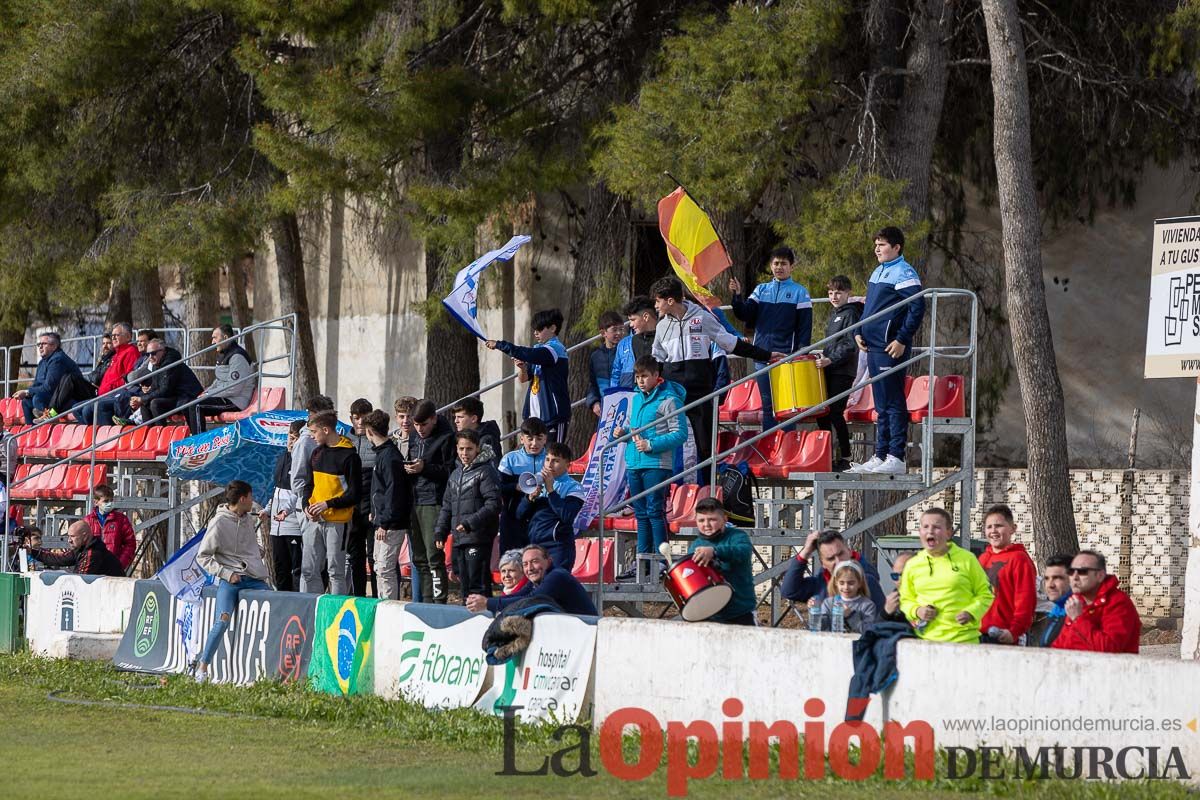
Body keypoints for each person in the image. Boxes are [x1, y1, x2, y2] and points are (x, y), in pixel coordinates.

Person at [649, 276, 783, 475]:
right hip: (673, 394)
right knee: (667, 444)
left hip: (700, 392)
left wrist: (766, 355)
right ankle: (671, 494)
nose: (655, 305)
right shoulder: (661, 326)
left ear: (670, 301)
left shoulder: (702, 317)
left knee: (705, 447)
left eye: (658, 300)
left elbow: (730, 343)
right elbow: (656, 361)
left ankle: (707, 494)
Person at [850, 227, 926, 475]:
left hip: (890, 346)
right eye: (876, 245)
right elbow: (871, 308)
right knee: (881, 404)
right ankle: (880, 454)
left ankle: (896, 455)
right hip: (872, 345)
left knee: (893, 401)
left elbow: (917, 307)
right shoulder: (878, 270)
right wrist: (859, 330)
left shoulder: (904, 272)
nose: (877, 249)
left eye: (882, 245)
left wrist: (902, 339)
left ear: (897, 248)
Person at [613, 356, 688, 580]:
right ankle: (642, 562)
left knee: (655, 512)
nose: (641, 381)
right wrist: (625, 434)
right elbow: (637, 429)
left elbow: (680, 433)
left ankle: (662, 561)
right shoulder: (636, 399)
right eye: (637, 377)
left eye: (645, 376)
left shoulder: (670, 400)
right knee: (641, 514)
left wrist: (652, 445)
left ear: (656, 376)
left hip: (656, 464)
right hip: (635, 463)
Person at [194, 480, 273, 682]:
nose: (253, 501)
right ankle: (202, 667)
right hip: (230, 581)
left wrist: (258, 553)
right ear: (243, 498)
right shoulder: (219, 523)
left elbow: (247, 546)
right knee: (222, 621)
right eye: (251, 496)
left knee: (274, 608)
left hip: (254, 578)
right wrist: (226, 573)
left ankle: (269, 669)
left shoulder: (247, 519)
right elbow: (203, 557)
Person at [728, 247, 813, 430]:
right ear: (771, 265)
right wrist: (737, 296)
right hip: (763, 356)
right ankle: (770, 448)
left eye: (783, 263)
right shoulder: (761, 290)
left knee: (787, 407)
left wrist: (800, 352)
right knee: (768, 407)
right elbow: (744, 314)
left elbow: (805, 327)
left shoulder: (800, 292)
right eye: (776, 263)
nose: (779, 267)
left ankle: (787, 447)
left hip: (786, 357)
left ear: (792, 266)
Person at [899, 507, 993, 644]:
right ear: (920, 532)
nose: (930, 531)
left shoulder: (967, 559)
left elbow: (986, 593)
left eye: (936, 527)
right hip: (925, 642)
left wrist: (971, 612)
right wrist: (917, 610)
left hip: (964, 641)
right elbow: (905, 599)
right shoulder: (913, 565)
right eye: (925, 526)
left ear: (948, 533)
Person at [299, 410, 362, 595]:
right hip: (314, 519)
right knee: (309, 570)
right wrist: (305, 506)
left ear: (325, 430)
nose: (311, 436)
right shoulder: (317, 453)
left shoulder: (349, 456)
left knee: (335, 571)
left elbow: (355, 493)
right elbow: (308, 485)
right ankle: (312, 607)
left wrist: (328, 504)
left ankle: (337, 612)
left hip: (338, 521)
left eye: (314, 432)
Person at [435, 430, 502, 601]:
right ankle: (467, 618)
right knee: (463, 583)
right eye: (461, 449)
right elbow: (447, 506)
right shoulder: (456, 474)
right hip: (459, 539)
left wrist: (470, 523)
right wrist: (440, 532)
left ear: (477, 449)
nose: (465, 453)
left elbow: (493, 504)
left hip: (478, 538)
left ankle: (482, 619)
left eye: (469, 449)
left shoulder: (485, 471)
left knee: (477, 584)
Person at [486, 308, 571, 443]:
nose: (535, 333)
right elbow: (523, 378)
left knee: (553, 457)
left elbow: (527, 353)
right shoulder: (539, 349)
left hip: (553, 417)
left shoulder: (555, 349)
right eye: (534, 329)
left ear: (553, 328)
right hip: (533, 417)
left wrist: (500, 345)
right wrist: (523, 368)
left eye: (539, 329)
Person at [405, 399, 455, 603]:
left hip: (434, 501)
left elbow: (451, 471)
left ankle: (438, 601)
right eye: (416, 425)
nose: (420, 429)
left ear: (434, 419)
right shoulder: (414, 436)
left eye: (423, 424)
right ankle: (426, 601)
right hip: (414, 499)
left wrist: (424, 468)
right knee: (419, 558)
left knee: (434, 556)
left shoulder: (446, 437)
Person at [814, 275, 862, 471]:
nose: (834, 296)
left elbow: (850, 344)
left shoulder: (851, 314)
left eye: (839, 292)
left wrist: (831, 359)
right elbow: (833, 344)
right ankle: (827, 455)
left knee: (835, 412)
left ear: (848, 294)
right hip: (830, 368)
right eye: (831, 292)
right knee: (822, 413)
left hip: (843, 371)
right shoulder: (835, 315)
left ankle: (846, 456)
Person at [468, 543, 597, 616]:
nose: (529, 568)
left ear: (549, 561)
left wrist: (488, 604)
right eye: (525, 564)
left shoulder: (557, 576)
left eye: (535, 562)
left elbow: (530, 600)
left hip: (588, 630)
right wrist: (487, 601)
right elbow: (519, 595)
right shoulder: (537, 580)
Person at [1052, 550, 1141, 654]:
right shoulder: (1077, 601)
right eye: (1071, 571)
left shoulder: (1117, 602)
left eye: (1082, 572)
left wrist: (1078, 619)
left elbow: (1109, 650)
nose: (1074, 578)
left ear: (1100, 575)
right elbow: (1063, 644)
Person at [364, 409, 411, 601]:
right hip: (381, 519)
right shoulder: (383, 455)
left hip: (391, 524)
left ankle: (389, 606)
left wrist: (383, 522)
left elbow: (393, 493)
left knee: (385, 568)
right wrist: (374, 512)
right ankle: (383, 602)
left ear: (370, 431)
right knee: (378, 566)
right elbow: (380, 490)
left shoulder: (390, 457)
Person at [516, 441, 584, 572]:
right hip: (535, 546)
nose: (550, 465)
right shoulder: (538, 483)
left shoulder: (574, 487)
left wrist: (551, 491)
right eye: (547, 459)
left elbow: (567, 516)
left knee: (555, 586)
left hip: (558, 547)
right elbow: (520, 514)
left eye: (556, 461)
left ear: (568, 465)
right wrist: (529, 498)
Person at [780, 529, 887, 610]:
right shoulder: (820, 583)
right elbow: (789, 591)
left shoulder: (867, 581)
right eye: (830, 558)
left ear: (849, 551)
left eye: (841, 553)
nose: (838, 561)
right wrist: (806, 552)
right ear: (823, 563)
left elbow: (880, 623)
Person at [688, 499, 755, 625]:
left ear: (724, 519)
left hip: (740, 612)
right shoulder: (695, 545)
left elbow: (743, 552)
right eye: (701, 520)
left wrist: (715, 551)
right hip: (708, 614)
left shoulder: (738, 536)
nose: (706, 524)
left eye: (712, 519)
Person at [977, 504, 1037, 645]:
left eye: (999, 526)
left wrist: (1014, 631)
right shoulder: (983, 558)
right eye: (989, 527)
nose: (993, 531)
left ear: (1013, 529)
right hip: (978, 633)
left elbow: (1026, 600)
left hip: (1005, 635)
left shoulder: (1019, 559)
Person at [262, 419, 305, 592]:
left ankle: (295, 603)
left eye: (295, 438)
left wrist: (286, 511)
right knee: (280, 567)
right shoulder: (282, 458)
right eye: (290, 436)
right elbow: (277, 490)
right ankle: (281, 600)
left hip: (293, 524)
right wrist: (267, 509)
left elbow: (297, 492)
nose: (291, 442)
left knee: (296, 568)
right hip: (276, 525)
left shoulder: (302, 459)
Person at [497, 417, 548, 552]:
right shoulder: (510, 459)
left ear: (545, 439)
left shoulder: (551, 459)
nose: (534, 443)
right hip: (513, 519)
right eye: (530, 439)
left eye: (539, 438)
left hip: (541, 519)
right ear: (522, 439)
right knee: (512, 563)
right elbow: (497, 488)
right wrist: (516, 487)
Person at [191, 324, 255, 431]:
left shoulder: (237, 356)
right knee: (191, 402)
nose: (212, 342)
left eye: (215, 337)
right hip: (225, 397)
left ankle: (198, 441)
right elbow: (219, 380)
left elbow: (234, 388)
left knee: (196, 406)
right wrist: (206, 392)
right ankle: (193, 436)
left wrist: (209, 394)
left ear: (225, 337)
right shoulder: (223, 354)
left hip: (235, 401)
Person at [13, 331, 83, 423]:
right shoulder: (42, 362)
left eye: (44, 344)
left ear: (54, 346)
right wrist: (26, 393)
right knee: (26, 402)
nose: (40, 347)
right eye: (39, 344)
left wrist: (27, 392)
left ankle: (52, 416)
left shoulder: (58, 360)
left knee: (37, 399)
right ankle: (32, 432)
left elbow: (49, 387)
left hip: (69, 400)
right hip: (51, 397)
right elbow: (37, 385)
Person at [346, 398, 378, 598]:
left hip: (372, 508)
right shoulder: (343, 441)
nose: (359, 422)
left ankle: (376, 598)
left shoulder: (377, 440)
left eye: (364, 418)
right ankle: (358, 597)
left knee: (374, 558)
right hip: (351, 509)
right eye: (356, 418)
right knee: (355, 557)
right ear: (351, 418)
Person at [136, 340, 204, 429]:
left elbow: (165, 390)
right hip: (174, 397)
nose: (150, 357)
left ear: (163, 351)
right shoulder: (157, 364)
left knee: (155, 403)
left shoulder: (170, 363)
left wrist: (143, 398)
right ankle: (152, 437)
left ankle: (161, 436)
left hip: (185, 397)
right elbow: (156, 387)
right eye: (147, 354)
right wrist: (141, 398)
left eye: (153, 353)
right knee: (145, 404)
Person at [80, 323, 139, 425]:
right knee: (76, 408)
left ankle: (108, 436)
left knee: (89, 408)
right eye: (113, 336)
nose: (114, 338)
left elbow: (129, 378)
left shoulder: (131, 352)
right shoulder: (115, 354)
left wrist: (110, 388)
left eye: (117, 335)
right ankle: (93, 436)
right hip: (103, 395)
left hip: (116, 394)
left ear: (128, 337)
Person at [27, 520, 124, 576]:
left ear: (85, 536)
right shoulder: (81, 548)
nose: (69, 540)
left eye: (72, 536)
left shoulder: (93, 553)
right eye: (68, 536)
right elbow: (60, 558)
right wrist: (32, 552)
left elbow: (80, 579)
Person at [289, 394, 335, 510]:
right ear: (312, 415)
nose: (328, 420)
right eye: (325, 416)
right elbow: (297, 481)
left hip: (330, 506)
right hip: (311, 507)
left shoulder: (333, 438)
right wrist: (308, 503)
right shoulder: (304, 442)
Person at [812, 559, 878, 633]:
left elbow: (867, 631)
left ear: (859, 583)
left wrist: (851, 616)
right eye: (842, 583)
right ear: (836, 583)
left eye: (851, 583)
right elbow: (820, 628)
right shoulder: (828, 603)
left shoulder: (867, 605)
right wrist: (815, 611)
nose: (846, 587)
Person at [610, 296, 659, 388]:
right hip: (629, 396)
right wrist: (615, 393)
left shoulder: (664, 338)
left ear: (646, 317)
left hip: (658, 396)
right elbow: (616, 372)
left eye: (633, 320)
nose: (631, 325)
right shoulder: (624, 343)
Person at [84, 484, 136, 571]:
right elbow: (81, 545)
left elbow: (130, 544)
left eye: (111, 500)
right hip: (92, 569)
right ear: (96, 502)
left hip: (113, 569)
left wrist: (120, 564)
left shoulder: (121, 520)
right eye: (106, 501)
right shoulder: (88, 521)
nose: (109, 504)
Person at [111, 328, 157, 424]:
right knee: (90, 406)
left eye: (142, 341)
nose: (138, 344)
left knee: (122, 398)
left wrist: (127, 377)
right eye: (138, 341)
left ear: (151, 343)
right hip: (135, 390)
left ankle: (129, 423)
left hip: (141, 391)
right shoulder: (141, 358)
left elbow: (134, 377)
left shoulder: (152, 358)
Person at [1028, 555, 1072, 648]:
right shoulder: (1056, 611)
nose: (1050, 585)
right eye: (1047, 578)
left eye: (1057, 578)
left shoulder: (1080, 612)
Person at [586, 311, 625, 416]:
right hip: (605, 408)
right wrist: (594, 402)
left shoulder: (627, 350)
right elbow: (592, 383)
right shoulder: (595, 356)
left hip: (625, 402)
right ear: (603, 333)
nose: (619, 333)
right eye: (614, 330)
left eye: (621, 329)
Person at [451, 397, 501, 464]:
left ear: (474, 418)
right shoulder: (461, 437)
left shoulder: (487, 440)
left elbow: (493, 467)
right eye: (455, 417)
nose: (456, 421)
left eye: (460, 417)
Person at [880, 552, 914, 624]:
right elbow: (876, 631)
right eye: (895, 576)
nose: (899, 580)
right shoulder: (893, 599)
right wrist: (886, 613)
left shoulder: (928, 596)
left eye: (904, 575)